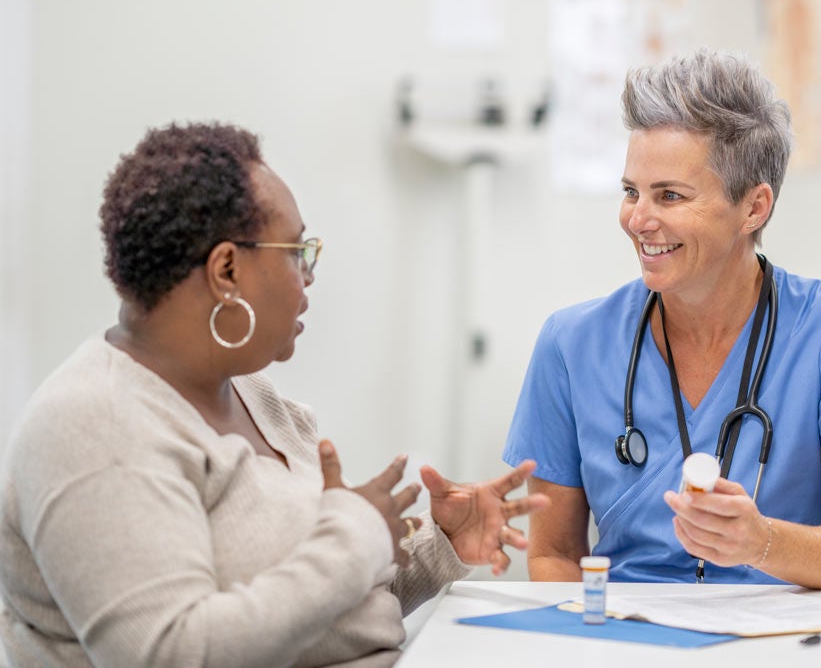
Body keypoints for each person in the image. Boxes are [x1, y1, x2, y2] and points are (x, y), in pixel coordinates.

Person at [0, 122, 548, 667]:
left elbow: (326, 609)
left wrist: (436, 545)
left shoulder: (254, 397)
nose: (308, 276)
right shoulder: (94, 425)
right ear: (227, 270)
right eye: (297, 251)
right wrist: (355, 532)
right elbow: (171, 652)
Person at [503, 48, 821, 589]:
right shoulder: (572, 343)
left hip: (791, 638)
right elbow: (555, 554)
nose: (638, 220)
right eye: (631, 192)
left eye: (670, 196)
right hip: (631, 639)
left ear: (754, 207)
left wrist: (760, 541)